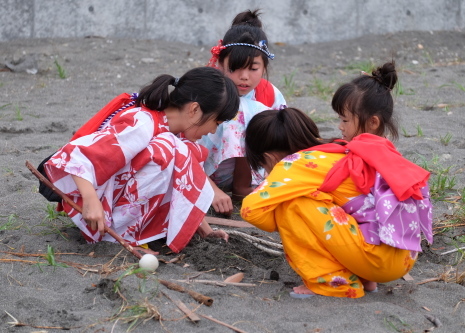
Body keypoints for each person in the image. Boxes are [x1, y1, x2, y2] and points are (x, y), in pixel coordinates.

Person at [241, 76, 432, 298]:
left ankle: (332, 282)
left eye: (344, 120)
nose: (340, 127)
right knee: (341, 208)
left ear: (269, 158)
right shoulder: (358, 151)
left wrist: (282, 222)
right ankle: (364, 278)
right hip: (404, 254)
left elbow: (250, 211)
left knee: (291, 206)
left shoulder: (297, 164)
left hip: (379, 260)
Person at [44, 67, 240, 254]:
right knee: (167, 150)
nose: (213, 130)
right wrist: (91, 200)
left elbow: (184, 183)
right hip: (97, 212)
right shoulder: (143, 122)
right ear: (195, 109)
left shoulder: (175, 133)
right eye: (216, 122)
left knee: (177, 150)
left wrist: (205, 231)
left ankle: (134, 232)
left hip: (115, 202)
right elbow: (77, 154)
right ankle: (119, 237)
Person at [200, 9, 286, 215]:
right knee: (240, 113)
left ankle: (245, 185)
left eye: (253, 68)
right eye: (235, 68)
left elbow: (284, 137)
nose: (244, 77)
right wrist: (209, 189)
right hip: (204, 172)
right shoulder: (207, 89)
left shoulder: (270, 94)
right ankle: (240, 187)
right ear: (220, 63)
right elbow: (183, 146)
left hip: (256, 172)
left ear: (264, 66)